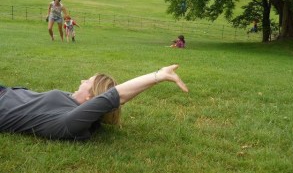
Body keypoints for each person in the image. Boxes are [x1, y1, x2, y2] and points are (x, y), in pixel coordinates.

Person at [0, 65, 188, 140]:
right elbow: (112, 98)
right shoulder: (72, 101)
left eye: (87, 81)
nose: (82, 81)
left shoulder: (68, 122)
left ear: (92, 99)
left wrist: (157, 76)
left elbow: (114, 97)